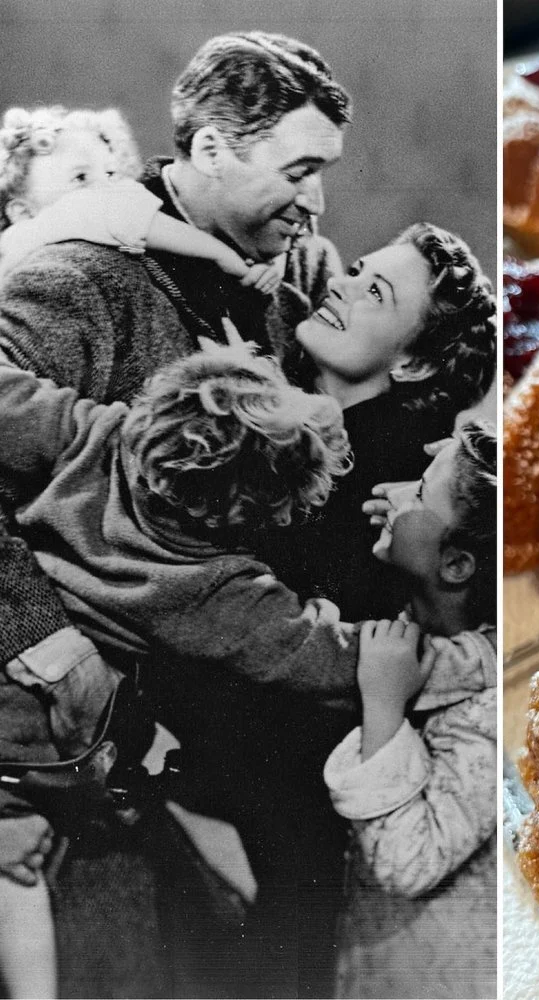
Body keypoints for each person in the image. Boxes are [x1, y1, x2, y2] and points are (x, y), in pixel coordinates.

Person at [0, 30, 353, 997]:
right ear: (209, 149)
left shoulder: (297, 275)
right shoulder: (79, 276)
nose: (317, 203)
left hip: (241, 684)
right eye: (300, 171)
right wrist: (42, 642)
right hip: (88, 731)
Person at [0, 344, 357, 998]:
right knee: (27, 860)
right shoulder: (218, 587)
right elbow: (331, 665)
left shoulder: (85, 432)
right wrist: (334, 621)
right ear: (243, 513)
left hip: (15, 665)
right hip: (49, 741)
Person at [325, 421, 497, 999]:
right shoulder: (433, 626)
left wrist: (383, 709)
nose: (393, 494)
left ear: (457, 566)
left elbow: (410, 860)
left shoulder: (487, 712)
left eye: (418, 490)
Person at [268, 222, 496, 622]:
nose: (338, 284)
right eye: (356, 272)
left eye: (375, 293)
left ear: (415, 364)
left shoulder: (395, 486)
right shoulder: (281, 373)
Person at [0, 105, 279, 292]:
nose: (106, 187)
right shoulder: (74, 215)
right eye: (80, 178)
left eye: (110, 173)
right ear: (22, 212)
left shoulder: (25, 243)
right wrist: (224, 255)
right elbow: (151, 225)